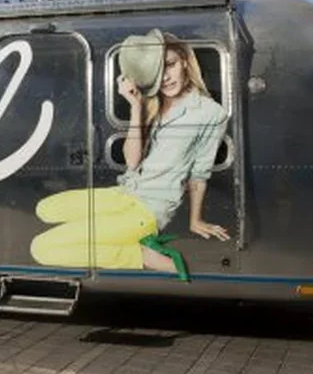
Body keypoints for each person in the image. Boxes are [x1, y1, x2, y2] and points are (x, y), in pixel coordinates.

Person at [29, 29, 230, 281]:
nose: (166, 78)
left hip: (149, 209)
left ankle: (143, 256)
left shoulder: (211, 113)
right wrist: (136, 106)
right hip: (126, 192)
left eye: (170, 65)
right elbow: (132, 162)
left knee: (42, 248)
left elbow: (200, 172)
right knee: (45, 209)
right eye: (158, 71)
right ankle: (112, 235)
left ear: (185, 62)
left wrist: (195, 219)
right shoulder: (154, 104)